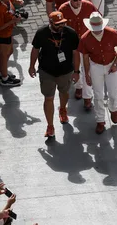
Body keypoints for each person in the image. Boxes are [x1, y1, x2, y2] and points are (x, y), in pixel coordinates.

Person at [29, 11, 81, 139]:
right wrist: (31, 66)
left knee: (64, 93)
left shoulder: (71, 33)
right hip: (47, 71)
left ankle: (62, 109)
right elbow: (35, 50)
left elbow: (76, 53)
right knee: (48, 98)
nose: (60, 26)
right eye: (57, 24)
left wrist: (76, 71)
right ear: (50, 22)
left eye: (62, 23)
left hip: (65, 71)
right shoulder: (41, 33)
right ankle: (50, 126)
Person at [80, 12, 117, 134]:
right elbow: (85, 57)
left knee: (113, 92)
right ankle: (100, 120)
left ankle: (113, 109)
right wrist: (87, 74)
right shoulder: (85, 38)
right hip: (95, 66)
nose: (96, 31)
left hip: (111, 64)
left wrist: (116, 63)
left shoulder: (112, 33)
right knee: (98, 95)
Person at [59, 0, 98, 108]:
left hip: (86, 44)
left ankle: (87, 96)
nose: (78, 2)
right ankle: (78, 87)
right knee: (74, 68)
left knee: (87, 69)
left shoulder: (88, 6)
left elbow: (98, 20)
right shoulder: (63, 9)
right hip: (71, 45)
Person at [0, 0, 24, 87]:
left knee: (9, 51)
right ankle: (4, 79)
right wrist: (13, 21)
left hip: (8, 32)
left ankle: (2, 73)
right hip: (2, 34)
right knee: (4, 56)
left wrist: (17, 0)